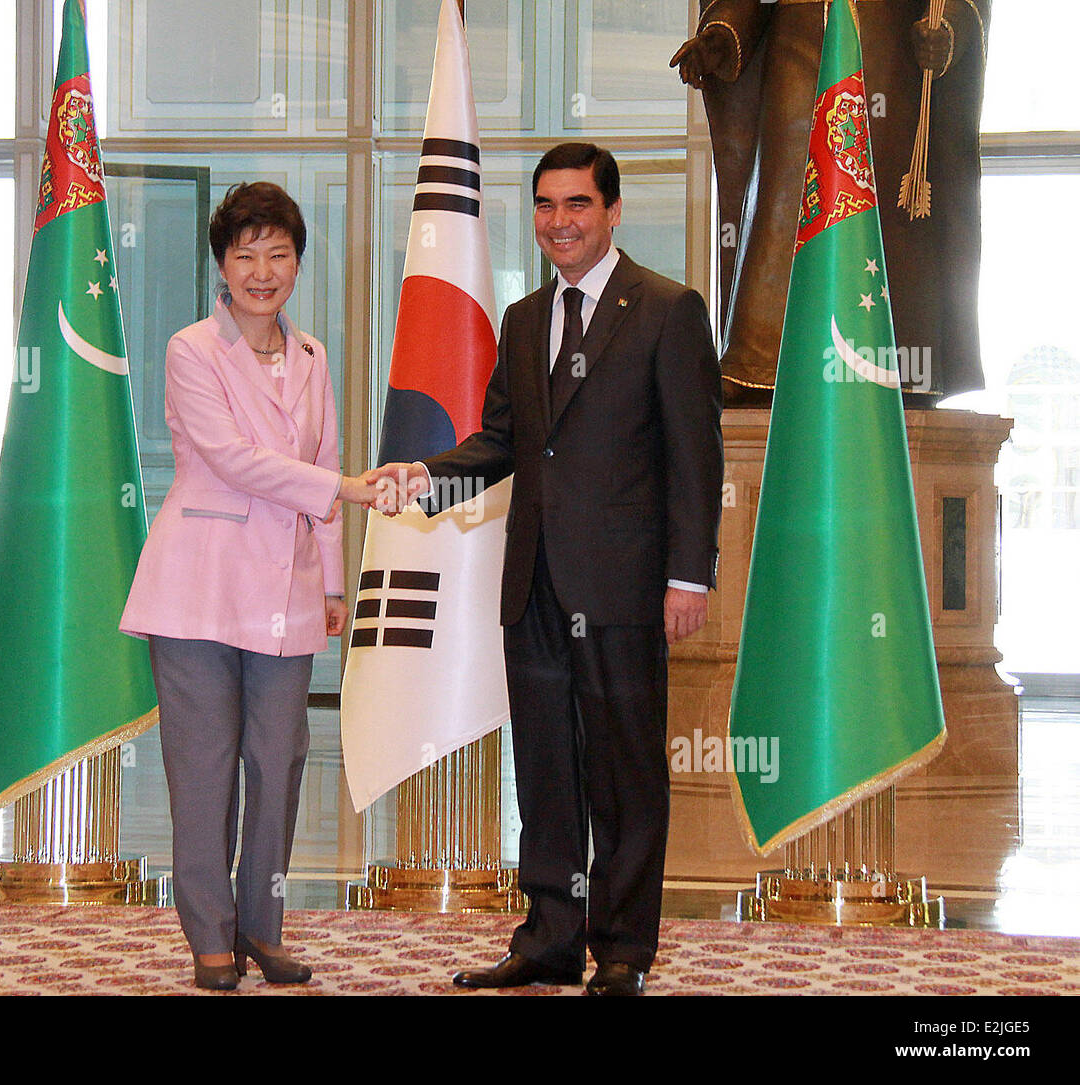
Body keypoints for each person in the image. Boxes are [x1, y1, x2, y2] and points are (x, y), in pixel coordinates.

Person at [371, 144, 724, 996]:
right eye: (544, 206)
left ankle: (626, 950)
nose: (559, 221)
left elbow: (695, 454)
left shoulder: (669, 309)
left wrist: (691, 574)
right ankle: (552, 938)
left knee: (626, 774)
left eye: (576, 204)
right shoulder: (525, 318)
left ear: (610, 210)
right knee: (547, 771)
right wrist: (427, 475)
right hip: (533, 585)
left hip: (626, 586)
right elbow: (503, 440)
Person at [120, 182, 376, 990]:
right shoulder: (191, 348)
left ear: (297, 262)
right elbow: (234, 460)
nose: (263, 271)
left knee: (280, 760)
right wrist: (342, 484)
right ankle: (210, 936)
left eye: (278, 253)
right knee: (204, 765)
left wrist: (333, 585)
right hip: (198, 587)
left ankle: (262, 925)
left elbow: (321, 461)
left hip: (288, 592)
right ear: (221, 266)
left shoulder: (312, 357)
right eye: (245, 255)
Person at [671, 0, 990, 406]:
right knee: (780, 208)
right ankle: (759, 363)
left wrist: (947, 31)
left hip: (889, 52)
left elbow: (961, 5)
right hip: (797, 48)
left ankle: (901, 363)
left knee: (887, 224)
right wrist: (721, 36)